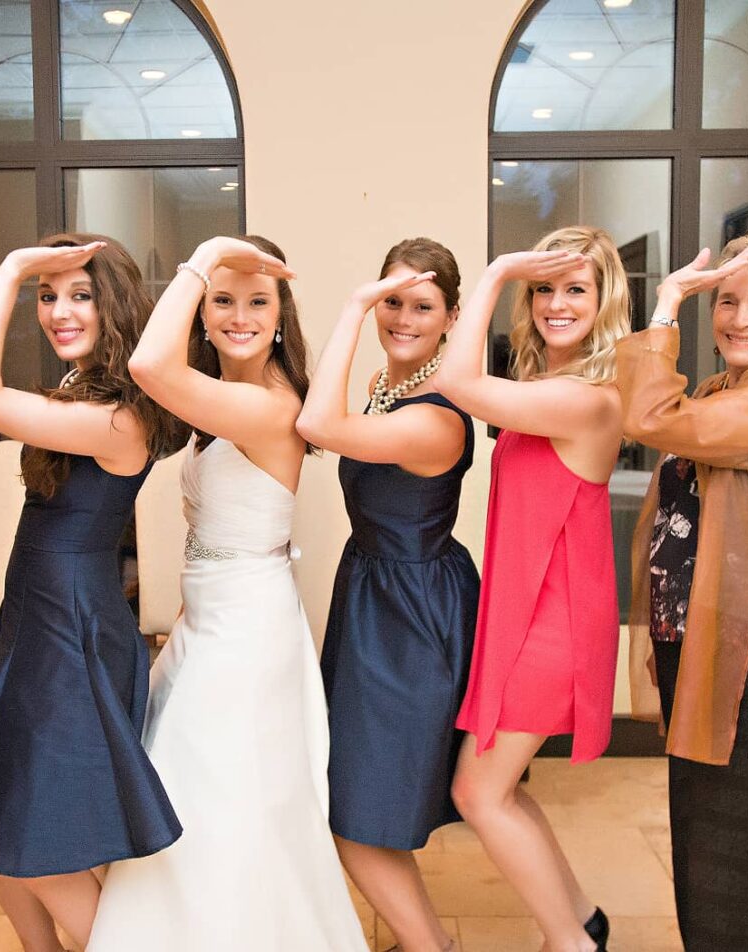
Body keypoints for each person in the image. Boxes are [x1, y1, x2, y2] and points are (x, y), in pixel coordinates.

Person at [87, 235, 369, 951]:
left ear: (280, 317)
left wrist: (209, 252)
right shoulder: (220, 407)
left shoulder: (270, 406)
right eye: (223, 300)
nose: (239, 316)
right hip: (208, 618)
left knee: (218, 797)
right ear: (203, 317)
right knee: (197, 788)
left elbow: (149, 365)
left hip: (246, 629)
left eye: (257, 301)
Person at [0, 234, 185, 952]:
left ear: (116, 307)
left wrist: (13, 266)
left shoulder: (119, 416)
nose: (58, 311)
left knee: (38, 843)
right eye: (47, 296)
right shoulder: (81, 391)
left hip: (69, 632)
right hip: (33, 620)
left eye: (80, 295)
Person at [438, 226, 630, 952]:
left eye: (576, 288)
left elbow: (458, 383)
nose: (556, 303)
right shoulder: (547, 389)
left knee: (477, 793)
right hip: (528, 612)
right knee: (502, 789)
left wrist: (495, 273)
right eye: (543, 288)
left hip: (553, 624)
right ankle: (582, 923)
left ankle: (571, 944)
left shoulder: (588, 400)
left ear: (605, 301)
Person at [296, 238, 479, 952]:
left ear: (452, 317)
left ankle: (429, 947)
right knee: (364, 807)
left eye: (422, 306)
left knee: (357, 812)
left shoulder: (435, 416)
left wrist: (351, 308)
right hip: (373, 596)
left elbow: (318, 426)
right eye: (390, 301)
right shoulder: (385, 384)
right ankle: (428, 942)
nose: (403, 318)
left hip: (411, 617)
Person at [620, 229, 748, 951]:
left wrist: (668, 303)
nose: (740, 319)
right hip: (705, 647)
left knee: (737, 857)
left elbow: (651, 417)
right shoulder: (722, 391)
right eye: (728, 302)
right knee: (697, 837)